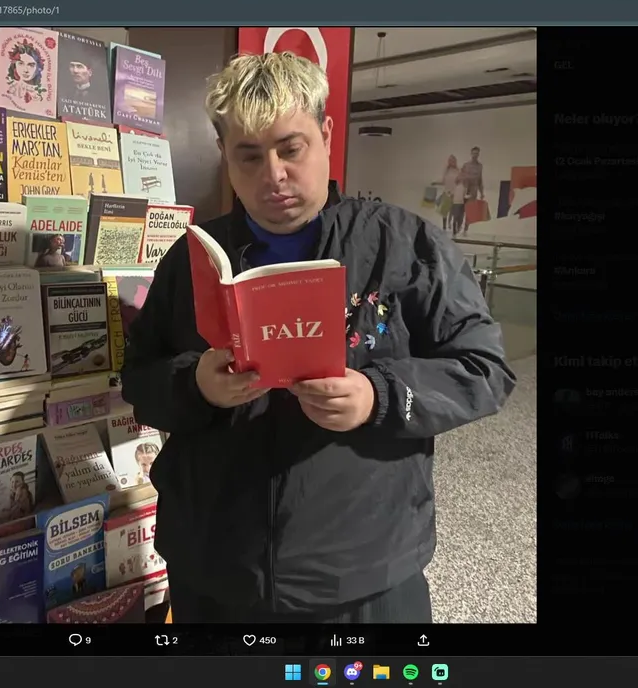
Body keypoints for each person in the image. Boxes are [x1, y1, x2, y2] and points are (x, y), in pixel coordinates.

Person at [121, 52, 516, 624]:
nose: (273, 175)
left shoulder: (405, 245)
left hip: (363, 569)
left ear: (326, 134)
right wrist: (196, 385)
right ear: (224, 154)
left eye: (291, 149)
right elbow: (139, 379)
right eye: (249, 156)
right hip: (214, 564)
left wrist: (379, 395)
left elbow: (484, 370)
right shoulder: (192, 259)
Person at [455, 146, 484, 236]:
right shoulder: (466, 165)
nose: (475, 155)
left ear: (478, 154)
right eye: (474, 153)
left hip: (473, 191)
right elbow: (459, 176)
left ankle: (465, 230)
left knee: (469, 211)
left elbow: (480, 180)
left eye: (477, 153)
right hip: (464, 189)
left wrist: (482, 192)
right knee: (461, 210)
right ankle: (458, 228)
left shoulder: (480, 166)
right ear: (471, 154)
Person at [438, 155, 463, 230]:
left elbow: (460, 182)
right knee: (444, 212)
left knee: (453, 212)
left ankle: (454, 227)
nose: (451, 162)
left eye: (452, 160)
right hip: (446, 192)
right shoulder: (446, 170)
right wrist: (435, 183)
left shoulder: (458, 171)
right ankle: (444, 227)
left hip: (454, 193)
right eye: (449, 160)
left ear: (455, 161)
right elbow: (443, 182)